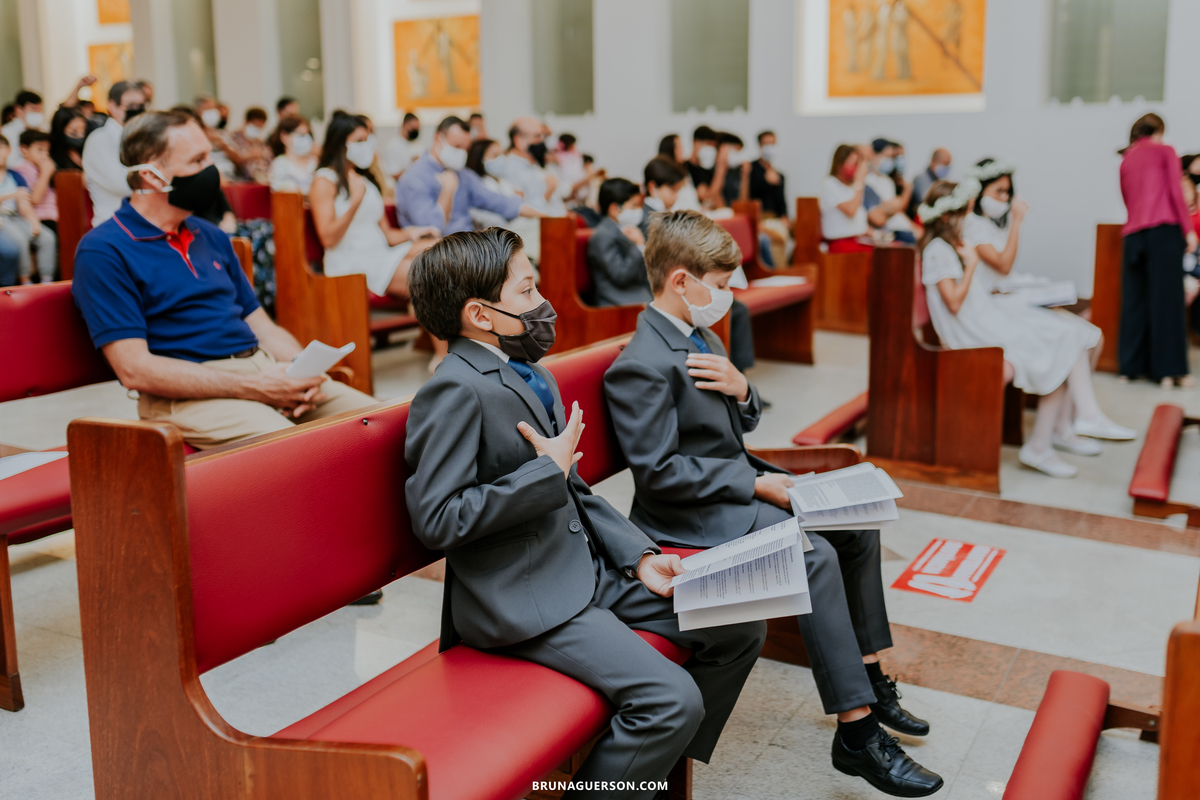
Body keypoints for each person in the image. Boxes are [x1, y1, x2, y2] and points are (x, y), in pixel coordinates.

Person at [404, 228, 766, 800]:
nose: (541, 302)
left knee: (740, 621)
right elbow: (438, 519)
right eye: (526, 292)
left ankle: (650, 771)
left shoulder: (531, 372)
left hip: (586, 570)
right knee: (671, 699)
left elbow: (575, 490)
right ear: (481, 314)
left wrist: (641, 556)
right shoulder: (454, 390)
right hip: (524, 598)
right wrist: (542, 473)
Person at [603, 210, 943, 798]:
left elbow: (737, 426)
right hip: (689, 516)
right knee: (811, 556)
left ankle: (868, 678)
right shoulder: (641, 363)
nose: (730, 295)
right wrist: (756, 486)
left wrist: (743, 389)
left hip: (732, 491)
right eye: (723, 282)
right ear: (681, 281)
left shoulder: (700, 336)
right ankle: (857, 734)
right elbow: (659, 475)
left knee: (857, 530)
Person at [71, 110, 377, 450]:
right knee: (297, 451)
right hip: (188, 394)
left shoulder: (211, 236)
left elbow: (262, 326)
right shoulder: (104, 250)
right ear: (151, 176)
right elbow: (135, 368)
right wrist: (256, 387)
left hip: (260, 369)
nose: (212, 170)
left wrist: (298, 371)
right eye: (198, 160)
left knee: (380, 425)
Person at [919, 181, 1135, 478]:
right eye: (964, 212)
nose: (968, 219)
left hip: (983, 317)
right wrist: (971, 265)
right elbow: (954, 304)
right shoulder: (936, 250)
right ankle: (1053, 437)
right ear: (946, 216)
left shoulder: (952, 243)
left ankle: (1054, 435)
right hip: (969, 330)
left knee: (1065, 341)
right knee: (1057, 346)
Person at [310, 113, 438, 302]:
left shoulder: (364, 182)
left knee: (441, 251)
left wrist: (413, 232)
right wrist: (355, 202)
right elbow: (328, 238)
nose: (366, 145)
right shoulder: (324, 181)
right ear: (340, 144)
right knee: (433, 278)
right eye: (359, 140)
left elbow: (386, 234)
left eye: (367, 139)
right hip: (351, 260)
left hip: (379, 252)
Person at [1118, 113, 1197, 389]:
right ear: (1158, 130)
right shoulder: (1165, 150)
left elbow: (1128, 199)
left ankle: (1130, 368)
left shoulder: (1127, 157)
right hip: (1163, 230)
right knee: (1168, 301)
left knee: (1134, 303)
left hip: (1133, 235)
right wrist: (1188, 230)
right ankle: (1169, 371)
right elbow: (1176, 192)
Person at [396, 115, 542, 236]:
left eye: (465, 148)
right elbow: (431, 229)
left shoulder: (462, 174)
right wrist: (448, 191)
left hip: (468, 245)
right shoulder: (415, 177)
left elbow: (497, 201)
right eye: (457, 146)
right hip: (438, 251)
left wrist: (545, 216)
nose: (461, 153)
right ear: (438, 139)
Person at [82, 81, 146, 224]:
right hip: (114, 223)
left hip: (146, 221)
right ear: (112, 106)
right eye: (131, 106)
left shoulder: (143, 137)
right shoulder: (99, 140)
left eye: (141, 106)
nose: (137, 111)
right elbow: (122, 185)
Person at [0, 134, 55, 284]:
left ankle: (47, 280)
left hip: (17, 217)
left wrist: (34, 221)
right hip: (2, 220)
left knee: (47, 237)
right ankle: (25, 280)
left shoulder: (15, 176)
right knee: (20, 239)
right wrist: (12, 195)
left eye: (2, 148)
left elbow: (24, 203)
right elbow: (19, 195)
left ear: (9, 150)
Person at [587, 177, 651, 307]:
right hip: (617, 300)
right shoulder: (602, 235)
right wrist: (638, 246)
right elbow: (621, 276)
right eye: (634, 205)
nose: (639, 210)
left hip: (639, 292)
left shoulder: (629, 228)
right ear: (615, 209)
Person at [501, 117, 564, 215]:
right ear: (518, 140)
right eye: (537, 136)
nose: (541, 141)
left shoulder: (533, 163)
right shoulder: (509, 169)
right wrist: (549, 190)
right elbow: (522, 210)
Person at [820, 144, 873, 252]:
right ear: (840, 163)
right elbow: (851, 211)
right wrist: (859, 182)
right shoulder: (830, 184)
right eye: (852, 163)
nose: (855, 167)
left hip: (859, 240)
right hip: (841, 243)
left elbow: (858, 220)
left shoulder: (852, 187)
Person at [864, 139, 916, 244]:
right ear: (874, 155)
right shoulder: (866, 181)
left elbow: (896, 208)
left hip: (900, 225)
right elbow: (880, 216)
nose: (890, 161)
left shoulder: (888, 181)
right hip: (888, 230)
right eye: (887, 156)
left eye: (892, 157)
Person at [14, 130, 59, 247]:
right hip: (40, 218)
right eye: (40, 150)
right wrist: (46, 173)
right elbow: (35, 199)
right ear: (24, 150)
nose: (45, 155)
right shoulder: (21, 171)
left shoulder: (40, 168)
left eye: (47, 151)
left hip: (53, 215)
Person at [267, 116, 317, 193]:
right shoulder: (279, 165)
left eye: (308, 135)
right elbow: (287, 193)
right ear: (284, 137)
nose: (306, 139)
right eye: (301, 135)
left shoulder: (314, 162)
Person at [227, 107, 273, 183]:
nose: (257, 130)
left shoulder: (261, 144)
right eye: (255, 126)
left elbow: (270, 164)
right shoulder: (232, 139)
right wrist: (248, 156)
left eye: (260, 128)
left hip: (261, 182)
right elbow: (231, 161)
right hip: (238, 182)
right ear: (246, 122)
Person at [2, 90, 45, 168]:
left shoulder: (43, 129)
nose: (38, 113)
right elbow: (10, 162)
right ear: (18, 110)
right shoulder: (6, 132)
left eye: (40, 110)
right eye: (34, 109)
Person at [749, 131, 787, 218]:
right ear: (760, 145)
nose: (770, 148)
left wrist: (784, 216)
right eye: (766, 144)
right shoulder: (749, 169)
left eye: (772, 144)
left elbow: (781, 201)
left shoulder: (779, 175)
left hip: (774, 218)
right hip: (756, 217)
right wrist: (764, 181)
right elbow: (749, 196)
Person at [382, 112, 421, 186]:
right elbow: (395, 175)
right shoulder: (392, 147)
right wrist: (413, 165)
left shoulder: (417, 144)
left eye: (417, 128)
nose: (415, 131)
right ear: (405, 126)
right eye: (413, 128)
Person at [910, 147, 951, 217]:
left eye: (948, 165)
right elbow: (927, 201)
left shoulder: (939, 181)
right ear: (933, 161)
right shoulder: (921, 179)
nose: (945, 168)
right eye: (944, 164)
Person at [713, 132, 750, 209]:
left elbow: (743, 203)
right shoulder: (710, 169)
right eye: (735, 151)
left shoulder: (737, 171)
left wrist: (745, 176)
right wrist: (721, 167)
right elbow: (711, 197)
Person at [685, 126, 719, 208]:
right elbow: (706, 196)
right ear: (696, 143)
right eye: (708, 144)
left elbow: (716, 200)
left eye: (713, 146)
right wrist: (721, 170)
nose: (711, 149)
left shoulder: (708, 169)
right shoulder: (684, 168)